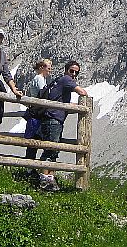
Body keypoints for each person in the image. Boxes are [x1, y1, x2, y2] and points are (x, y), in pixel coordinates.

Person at [38, 60, 87, 191]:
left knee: (53, 150)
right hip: (53, 119)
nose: (74, 74)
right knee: (50, 149)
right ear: (66, 70)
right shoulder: (66, 79)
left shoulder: (58, 79)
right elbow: (82, 92)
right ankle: (44, 180)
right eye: (72, 71)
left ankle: (50, 180)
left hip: (51, 119)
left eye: (77, 72)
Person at [22, 59, 52, 177]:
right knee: (34, 140)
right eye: (48, 67)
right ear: (41, 67)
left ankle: (30, 168)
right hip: (37, 113)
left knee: (34, 141)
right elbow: (43, 94)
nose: (50, 69)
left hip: (35, 112)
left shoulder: (40, 79)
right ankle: (30, 169)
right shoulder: (39, 79)